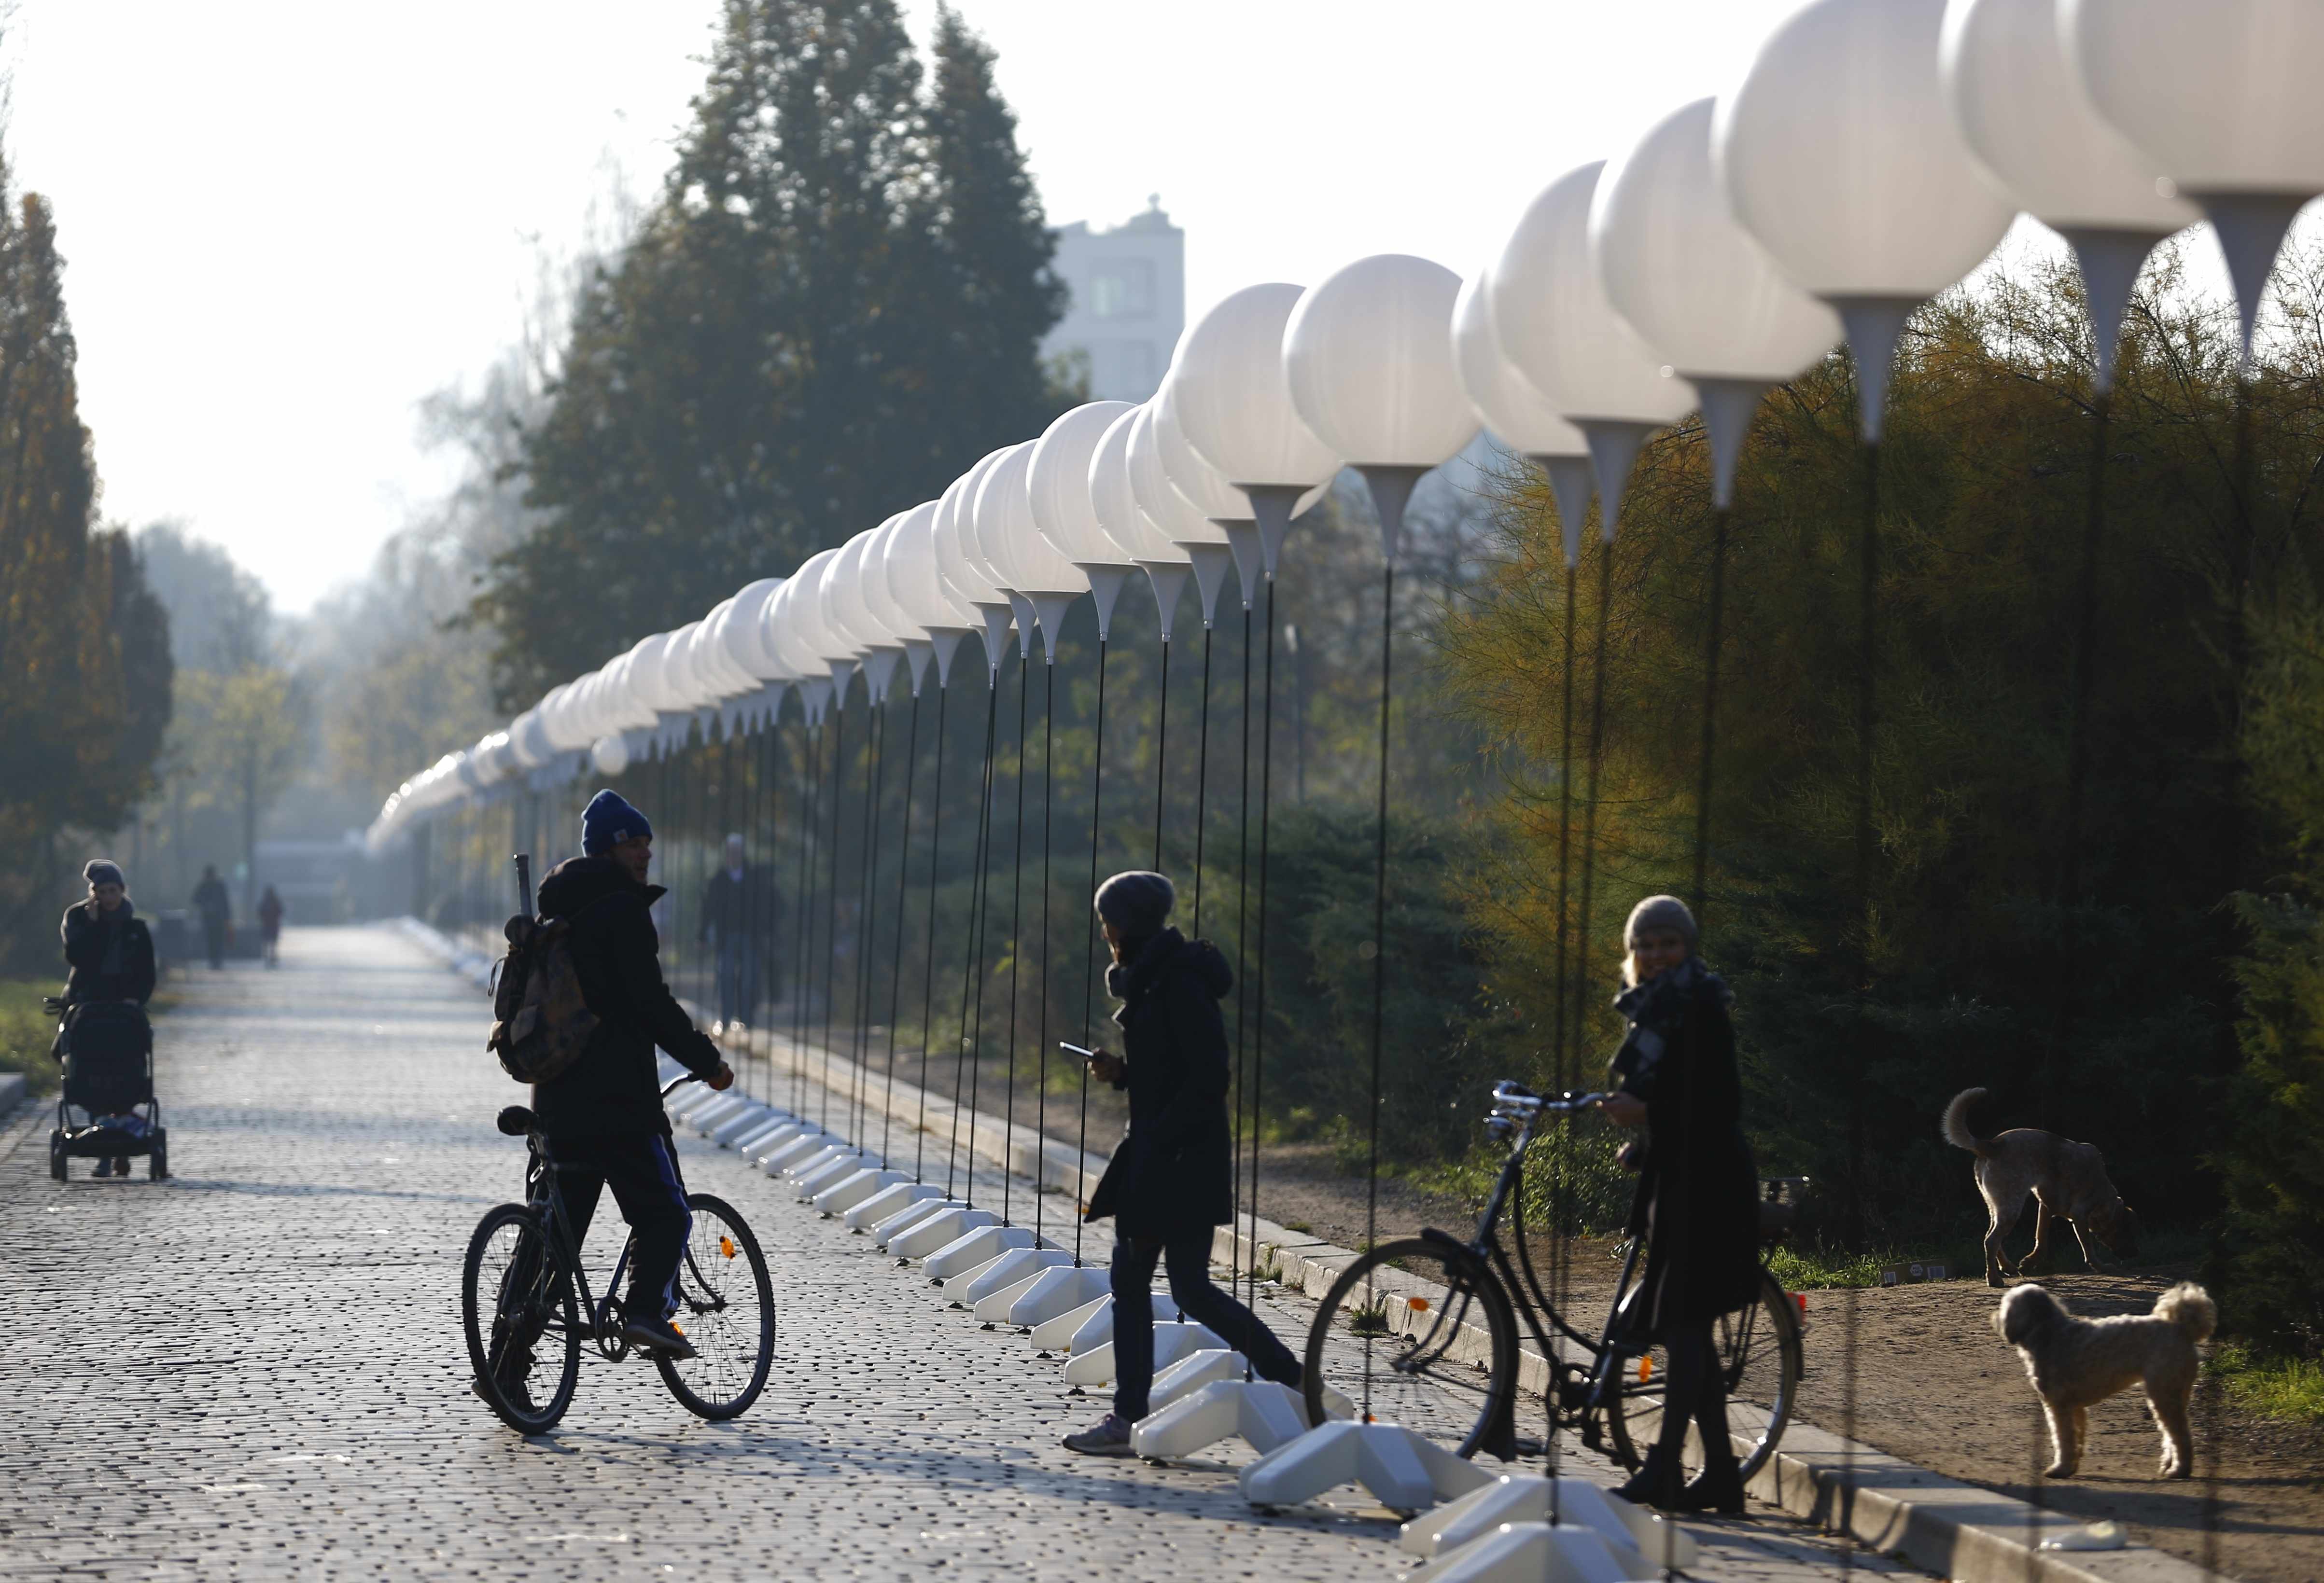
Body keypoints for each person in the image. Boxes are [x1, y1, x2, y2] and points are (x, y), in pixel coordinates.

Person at [1062, 870, 1305, 1456]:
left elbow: (1207, 1077)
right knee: (1189, 1288)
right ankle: (1292, 1378)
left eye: (1108, 921)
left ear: (1124, 926)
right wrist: (1124, 1074)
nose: (1104, 931)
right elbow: (1171, 1070)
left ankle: (1125, 1419)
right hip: (1174, 1155)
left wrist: (1161, 1140)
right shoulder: (1158, 979)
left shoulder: (1174, 984)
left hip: (1172, 1161)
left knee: (1135, 1281)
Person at [520, 789, 733, 1374]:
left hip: (557, 1099)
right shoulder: (621, 910)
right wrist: (707, 1061)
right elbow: (651, 1005)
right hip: (618, 1101)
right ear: (609, 849)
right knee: (667, 1214)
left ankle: (507, 1364)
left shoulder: (556, 911)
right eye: (633, 843)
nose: (644, 853)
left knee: (553, 1247)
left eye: (646, 843)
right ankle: (645, 1311)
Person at [1599, 894, 1760, 1514]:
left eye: (1668, 943)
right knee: (1684, 1329)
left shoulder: (1700, 1006)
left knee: (1685, 1327)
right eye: (1645, 944)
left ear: (1687, 946)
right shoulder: (1654, 1013)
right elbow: (1672, 1098)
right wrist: (1639, 1135)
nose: (1657, 954)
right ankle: (1720, 1474)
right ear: (1632, 952)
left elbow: (1721, 1105)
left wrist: (1648, 1114)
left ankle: (1665, 1468)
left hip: (1712, 1187)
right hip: (1678, 1183)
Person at [60, 860, 157, 1179]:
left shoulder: (135, 928)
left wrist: (136, 999)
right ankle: (103, 1144)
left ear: (122, 890)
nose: (109, 897)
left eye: (113, 891)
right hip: (88, 1002)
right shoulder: (79, 918)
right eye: (102, 892)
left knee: (125, 1065)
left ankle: (120, 1140)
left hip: (124, 1006)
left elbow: (146, 971)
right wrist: (93, 925)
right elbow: (78, 958)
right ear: (94, 894)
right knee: (88, 1066)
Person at [698, 833, 774, 1032]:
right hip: (727, 937)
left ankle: (747, 1019)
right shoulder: (719, 880)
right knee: (726, 977)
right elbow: (709, 908)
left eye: (737, 852)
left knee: (749, 978)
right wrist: (702, 934)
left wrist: (767, 930)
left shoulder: (754, 879)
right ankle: (725, 1018)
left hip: (750, 936)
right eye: (731, 852)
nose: (734, 856)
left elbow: (766, 906)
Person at [190, 865, 231, 970]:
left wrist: (227, 917)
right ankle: (213, 959)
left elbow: (225, 903)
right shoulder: (204, 887)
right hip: (209, 919)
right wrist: (206, 905)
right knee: (211, 939)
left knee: (218, 939)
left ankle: (217, 959)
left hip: (218, 919)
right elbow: (195, 899)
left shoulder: (219, 886)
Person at [256, 886, 285, 968]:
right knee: (273, 943)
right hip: (274, 925)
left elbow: (260, 912)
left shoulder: (265, 901)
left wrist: (264, 918)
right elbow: (281, 911)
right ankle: (272, 956)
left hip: (267, 925)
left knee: (267, 942)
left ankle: (268, 956)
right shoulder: (275, 901)